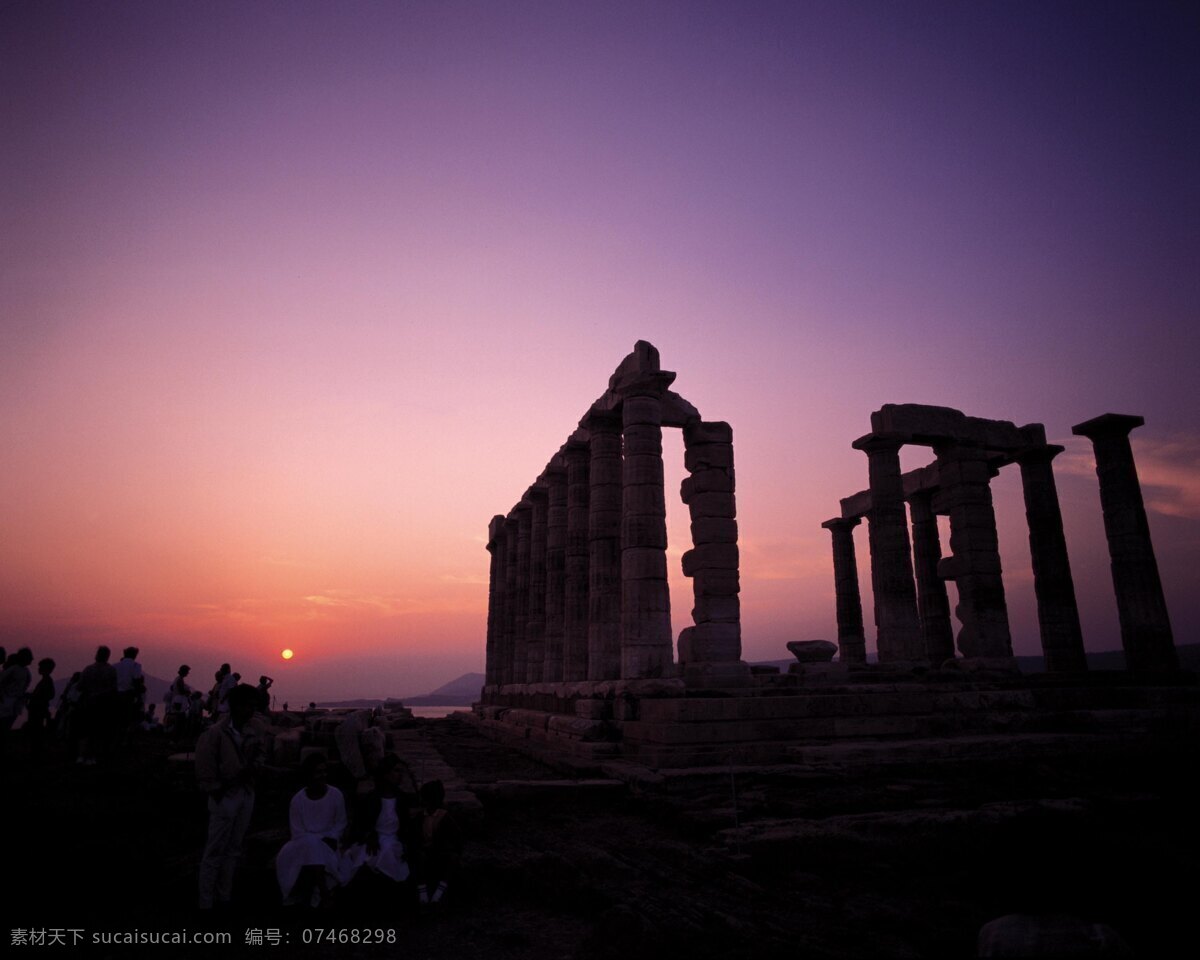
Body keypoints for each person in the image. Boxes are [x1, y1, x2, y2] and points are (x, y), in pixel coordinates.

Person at [195, 684, 268, 909]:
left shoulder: (255, 728)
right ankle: (206, 902)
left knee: (234, 848)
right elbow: (205, 767)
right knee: (215, 850)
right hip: (225, 795)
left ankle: (224, 897)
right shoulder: (215, 733)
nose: (252, 711)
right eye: (248, 706)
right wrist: (216, 790)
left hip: (245, 793)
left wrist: (254, 769)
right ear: (236, 706)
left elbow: (262, 753)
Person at [276, 753, 346, 907]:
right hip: (301, 845)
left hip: (328, 843)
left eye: (324, 771)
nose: (323, 775)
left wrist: (330, 838)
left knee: (315, 849)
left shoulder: (336, 795)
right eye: (318, 772)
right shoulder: (297, 800)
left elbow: (340, 823)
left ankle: (320, 893)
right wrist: (315, 841)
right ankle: (323, 893)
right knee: (311, 845)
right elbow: (297, 831)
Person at [341, 754, 416, 891]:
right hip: (373, 841)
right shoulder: (372, 799)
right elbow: (359, 825)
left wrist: (406, 844)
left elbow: (407, 828)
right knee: (367, 858)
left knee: (388, 854)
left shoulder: (402, 800)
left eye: (401, 771)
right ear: (386, 774)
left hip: (394, 842)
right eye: (396, 771)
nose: (400, 775)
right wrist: (369, 834)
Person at [414, 780, 462, 907]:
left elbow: (456, 836)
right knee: (419, 858)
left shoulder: (445, 817)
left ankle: (439, 893)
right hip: (424, 851)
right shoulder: (420, 817)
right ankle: (423, 895)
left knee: (452, 860)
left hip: (441, 851)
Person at [76, 646, 118, 765]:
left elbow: (80, 686)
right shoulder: (111, 671)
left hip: (87, 703)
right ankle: (92, 756)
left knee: (85, 731)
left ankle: (81, 755)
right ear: (108, 656)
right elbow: (113, 689)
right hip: (102, 704)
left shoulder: (88, 669)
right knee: (98, 731)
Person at [0, 647, 34, 752]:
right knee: (4, 726)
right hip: (7, 702)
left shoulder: (26, 671)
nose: (32, 659)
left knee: (7, 726)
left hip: (15, 703)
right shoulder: (14, 669)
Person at [25, 657, 56, 759]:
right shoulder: (46, 681)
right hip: (39, 709)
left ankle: (36, 754)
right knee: (37, 732)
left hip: (38, 710)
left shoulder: (46, 681)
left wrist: (33, 697)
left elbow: (50, 695)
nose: (38, 669)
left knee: (36, 732)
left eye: (40, 667)